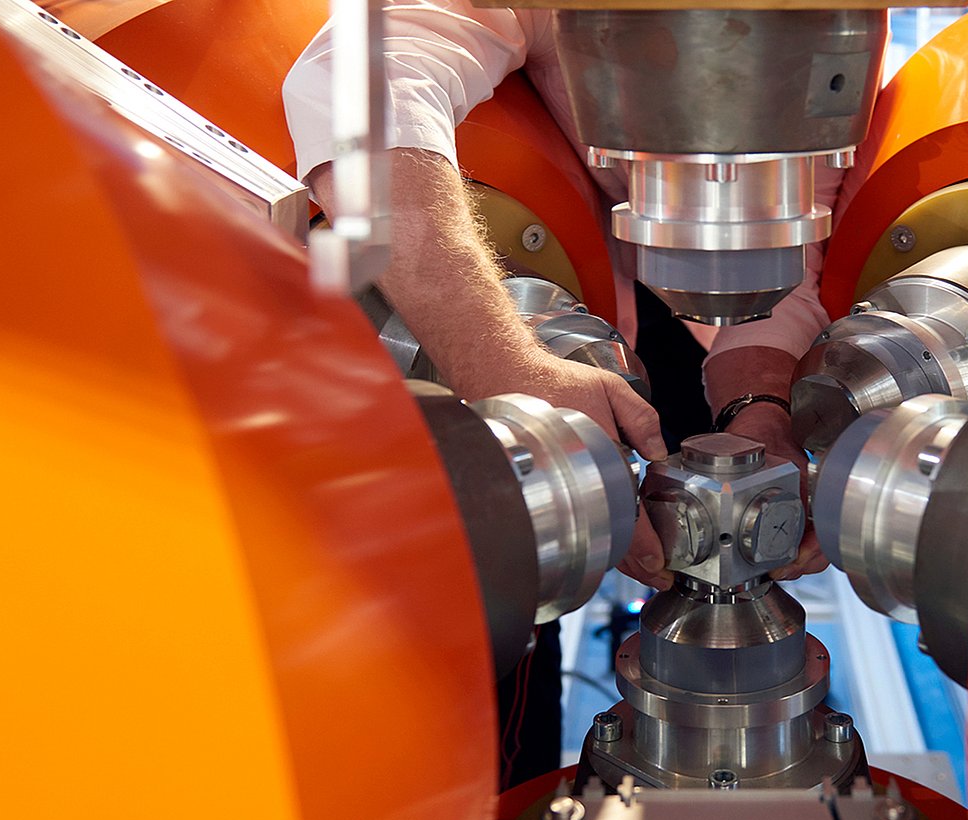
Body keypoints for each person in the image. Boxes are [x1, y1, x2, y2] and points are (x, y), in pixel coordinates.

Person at [282, 0, 840, 588]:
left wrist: (760, 409)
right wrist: (500, 365)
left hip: (637, 284)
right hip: (449, 279)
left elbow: (790, 268)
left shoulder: (842, 56)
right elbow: (356, 85)